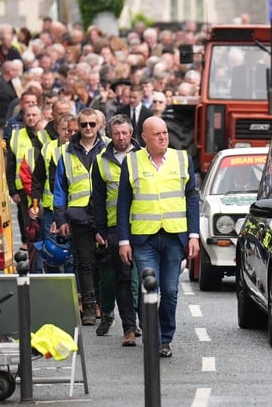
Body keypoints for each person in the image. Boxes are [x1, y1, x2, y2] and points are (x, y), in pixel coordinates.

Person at [117, 117, 200, 358]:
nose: (163, 137)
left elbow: (192, 198)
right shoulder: (132, 162)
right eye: (157, 134)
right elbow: (123, 204)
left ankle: (166, 338)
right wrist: (124, 241)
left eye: (164, 133)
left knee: (171, 290)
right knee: (147, 289)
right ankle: (154, 337)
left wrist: (193, 235)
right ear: (144, 137)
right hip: (144, 238)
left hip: (175, 236)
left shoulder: (182, 159)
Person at [53, 108, 108, 326]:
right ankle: (88, 306)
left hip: (104, 214)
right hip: (78, 215)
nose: (87, 129)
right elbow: (59, 189)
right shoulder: (66, 152)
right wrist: (61, 219)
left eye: (91, 125)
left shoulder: (108, 148)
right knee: (84, 262)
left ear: (98, 126)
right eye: (83, 124)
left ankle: (103, 305)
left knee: (104, 262)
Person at [91, 115, 141, 346]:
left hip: (144, 224)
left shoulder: (144, 156)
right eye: (116, 133)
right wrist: (100, 228)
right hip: (114, 228)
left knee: (142, 277)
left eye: (125, 133)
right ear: (109, 134)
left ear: (132, 133)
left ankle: (146, 319)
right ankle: (129, 327)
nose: (121, 138)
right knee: (122, 277)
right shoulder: (101, 161)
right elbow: (98, 199)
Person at [30, 112, 78, 274]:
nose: (67, 133)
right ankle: (53, 283)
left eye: (71, 130)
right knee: (51, 250)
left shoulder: (78, 150)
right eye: (64, 129)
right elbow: (37, 178)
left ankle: (75, 288)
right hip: (51, 210)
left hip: (74, 208)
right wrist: (35, 203)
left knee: (71, 250)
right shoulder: (48, 149)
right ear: (57, 129)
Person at [6, 98, 48, 253]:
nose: (31, 118)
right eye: (28, 115)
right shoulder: (16, 136)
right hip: (23, 192)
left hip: (44, 192)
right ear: (24, 117)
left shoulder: (47, 135)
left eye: (34, 115)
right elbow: (10, 165)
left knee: (45, 230)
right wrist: (12, 191)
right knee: (30, 231)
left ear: (41, 117)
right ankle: (33, 266)